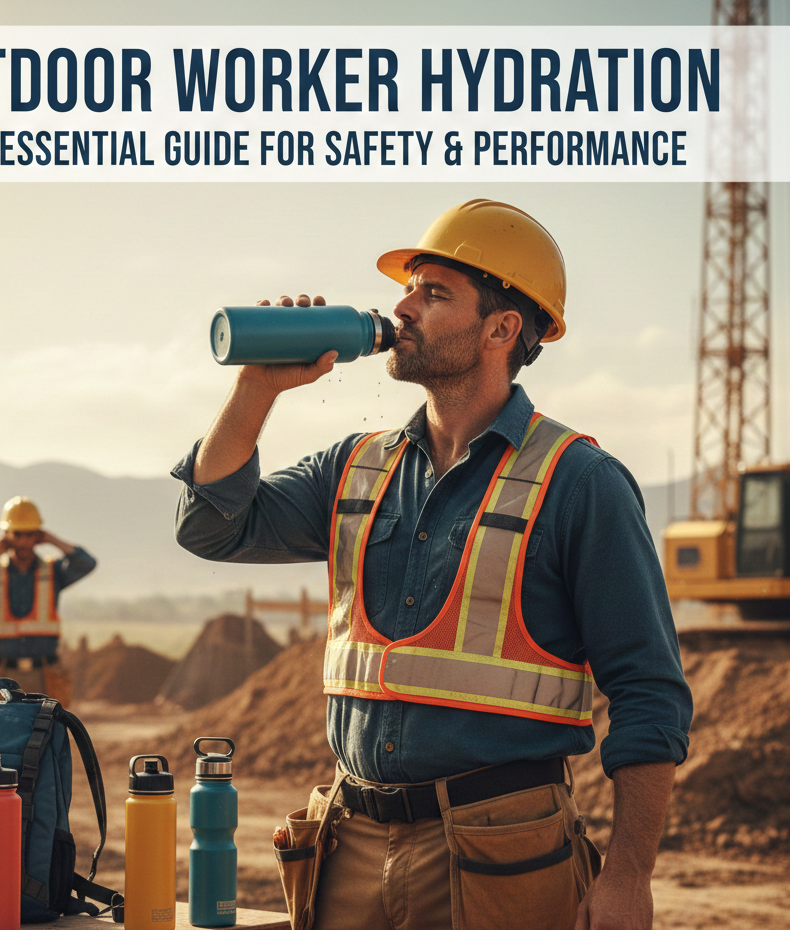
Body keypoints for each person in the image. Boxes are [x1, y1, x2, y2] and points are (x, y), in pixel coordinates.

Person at [173, 199, 693, 930]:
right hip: (347, 841)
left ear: (502, 328)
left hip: (504, 852)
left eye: (434, 292)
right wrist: (256, 388)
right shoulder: (354, 467)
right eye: (409, 287)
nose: (402, 306)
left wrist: (630, 876)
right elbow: (210, 527)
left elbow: (648, 692)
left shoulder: (580, 483)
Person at [0, 495, 95, 705]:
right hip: (1, 675)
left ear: (38, 536)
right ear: (6, 535)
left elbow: (87, 563)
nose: (24, 541)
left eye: (30, 535)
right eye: (17, 534)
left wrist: (52, 540)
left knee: (46, 736)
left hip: (44, 677)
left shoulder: (53, 572)